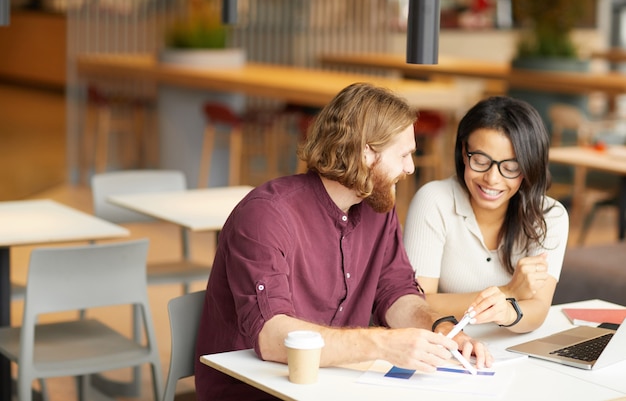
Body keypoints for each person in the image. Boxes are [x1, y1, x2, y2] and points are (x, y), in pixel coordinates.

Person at [195, 82, 492, 401]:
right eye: (404, 154)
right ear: (367, 152)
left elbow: (396, 292)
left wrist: (439, 328)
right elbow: (272, 336)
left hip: (334, 385)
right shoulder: (266, 215)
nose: (410, 168)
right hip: (254, 391)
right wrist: (385, 344)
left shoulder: (378, 208)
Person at [403, 96, 569, 334]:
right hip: (447, 341)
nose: (492, 179)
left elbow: (538, 310)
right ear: (463, 152)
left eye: (510, 168)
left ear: (529, 166)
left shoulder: (549, 216)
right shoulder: (433, 201)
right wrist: (509, 293)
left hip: (511, 346)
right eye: (480, 161)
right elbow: (415, 303)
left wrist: (507, 310)